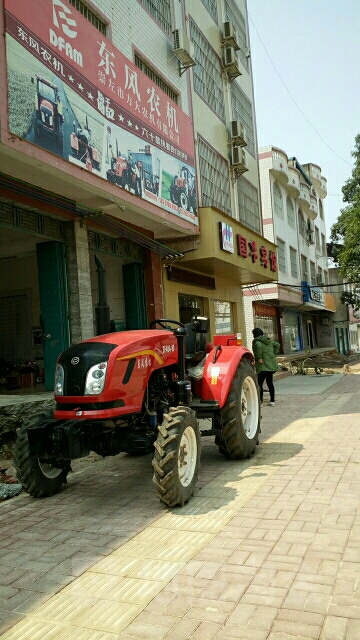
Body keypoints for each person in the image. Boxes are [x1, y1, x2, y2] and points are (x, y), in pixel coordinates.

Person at [252, 328, 280, 406]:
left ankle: (260, 402)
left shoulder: (257, 342)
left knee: (259, 384)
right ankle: (272, 401)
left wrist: (259, 358)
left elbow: (258, 347)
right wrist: (273, 355)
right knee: (270, 383)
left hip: (263, 366)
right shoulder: (268, 340)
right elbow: (277, 345)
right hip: (270, 365)